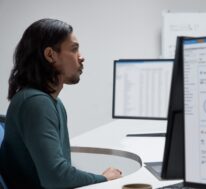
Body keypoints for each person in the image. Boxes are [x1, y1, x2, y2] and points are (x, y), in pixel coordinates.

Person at [0, 18, 122, 189]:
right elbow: (56, 178)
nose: (81, 57)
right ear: (50, 55)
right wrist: (103, 179)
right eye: (74, 49)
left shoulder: (51, 102)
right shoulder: (36, 103)